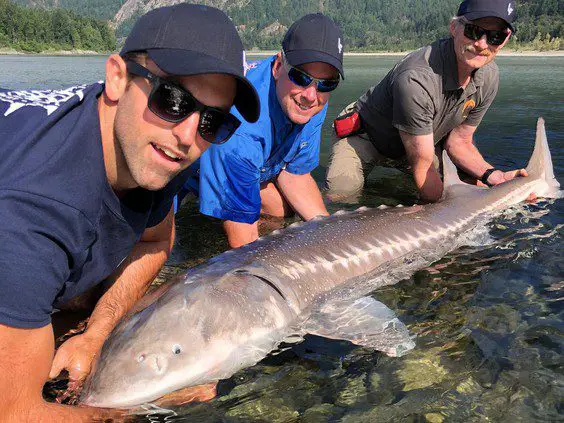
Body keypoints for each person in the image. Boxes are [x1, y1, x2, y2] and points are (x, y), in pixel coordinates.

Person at [0, 4, 259, 420]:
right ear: (117, 77)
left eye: (213, 122)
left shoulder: (155, 146)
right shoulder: (35, 215)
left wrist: (97, 334)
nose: (188, 136)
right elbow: (14, 415)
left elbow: (157, 241)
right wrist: (141, 406)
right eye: (172, 99)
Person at [325, 0, 528, 203]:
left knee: (471, 186)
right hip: (367, 136)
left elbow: (459, 142)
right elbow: (422, 165)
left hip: (420, 145)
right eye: (473, 31)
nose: (482, 44)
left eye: (495, 36)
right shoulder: (416, 78)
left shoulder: (489, 76)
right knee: (341, 197)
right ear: (454, 28)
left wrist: (493, 176)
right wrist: (448, 213)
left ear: (505, 39)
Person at [180, 13, 344, 248]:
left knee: (281, 211)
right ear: (278, 66)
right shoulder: (241, 129)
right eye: (301, 76)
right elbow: (244, 244)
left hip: (248, 164)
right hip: (186, 170)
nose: (310, 95)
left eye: (326, 83)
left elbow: (295, 175)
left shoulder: (314, 102)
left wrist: (332, 239)